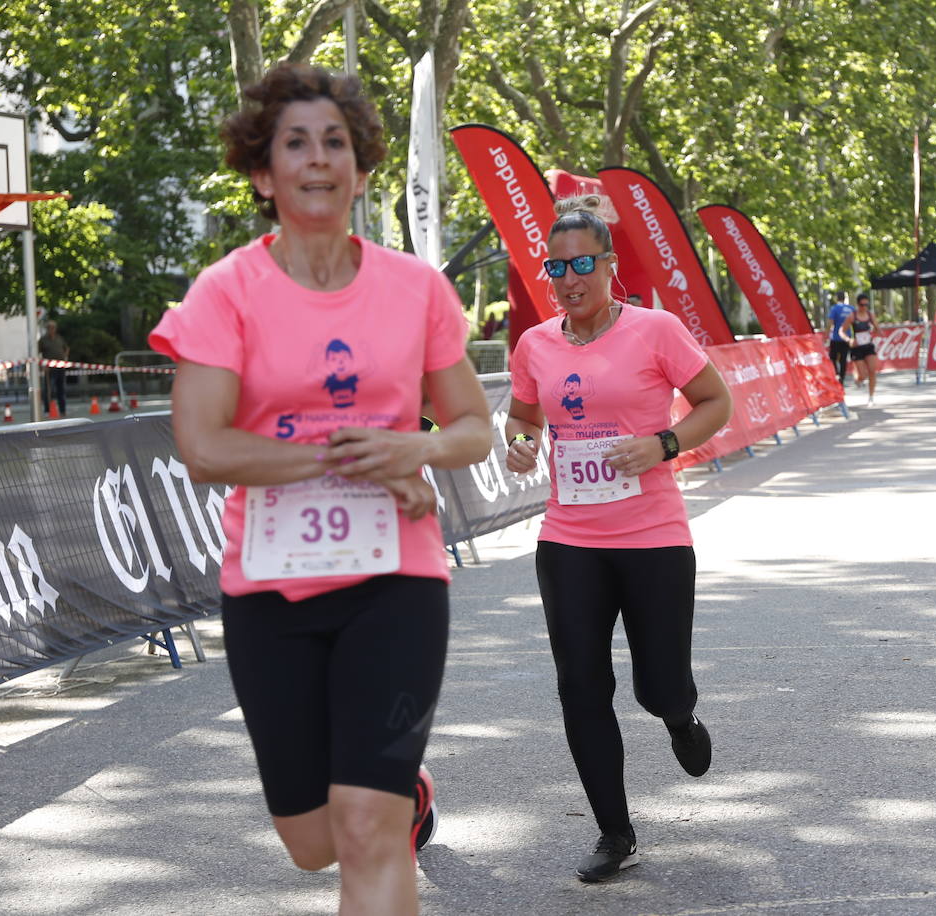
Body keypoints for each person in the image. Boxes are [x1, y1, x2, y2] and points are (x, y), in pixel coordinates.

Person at [147, 62, 492, 914]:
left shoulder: (416, 290)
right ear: (263, 173)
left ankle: (385, 801)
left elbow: (472, 428)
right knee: (312, 843)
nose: (317, 159)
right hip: (270, 585)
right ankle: (407, 795)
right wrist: (349, 457)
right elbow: (203, 445)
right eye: (294, 143)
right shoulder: (223, 293)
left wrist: (410, 446)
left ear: (362, 166)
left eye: (335, 142)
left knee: (365, 834)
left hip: (397, 579)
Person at [503, 194, 732, 884]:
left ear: (608, 266)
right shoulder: (534, 344)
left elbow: (716, 403)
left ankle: (680, 717)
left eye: (581, 265)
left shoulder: (655, 330)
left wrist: (662, 444)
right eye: (556, 268)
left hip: (654, 536)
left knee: (658, 686)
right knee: (580, 685)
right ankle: (614, 831)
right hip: (569, 538)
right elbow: (522, 419)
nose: (569, 280)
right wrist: (518, 445)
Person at [840, 293, 881, 405]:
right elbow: (841, 331)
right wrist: (849, 340)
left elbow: (877, 328)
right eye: (862, 305)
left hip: (868, 345)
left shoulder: (870, 315)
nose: (864, 307)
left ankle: (871, 397)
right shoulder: (852, 316)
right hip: (857, 348)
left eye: (866, 304)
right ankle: (858, 379)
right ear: (858, 305)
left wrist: (876, 331)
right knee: (863, 375)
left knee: (872, 371)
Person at [38, 319, 69, 416]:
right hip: (50, 368)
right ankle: (48, 410)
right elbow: (38, 353)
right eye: (49, 327)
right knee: (49, 389)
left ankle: (62, 410)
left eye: (53, 327)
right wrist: (42, 365)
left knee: (61, 389)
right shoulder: (43, 340)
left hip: (60, 367)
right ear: (47, 329)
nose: (51, 329)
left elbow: (66, 348)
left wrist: (65, 358)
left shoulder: (59, 338)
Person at [827, 291, 855, 383]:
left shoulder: (835, 308)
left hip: (836, 337)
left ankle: (837, 374)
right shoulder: (851, 309)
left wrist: (826, 334)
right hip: (847, 337)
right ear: (845, 298)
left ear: (836, 298)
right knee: (843, 359)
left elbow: (830, 322)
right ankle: (841, 378)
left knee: (832, 358)